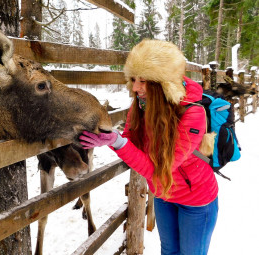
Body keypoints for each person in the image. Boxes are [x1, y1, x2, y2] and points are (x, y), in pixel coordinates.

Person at [79, 39, 218, 255]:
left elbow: (159, 169)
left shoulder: (193, 113)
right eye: (133, 79)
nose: (135, 88)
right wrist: (107, 137)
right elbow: (129, 142)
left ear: (163, 82)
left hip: (196, 200)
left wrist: (117, 142)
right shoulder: (141, 105)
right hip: (164, 195)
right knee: (169, 251)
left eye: (143, 80)